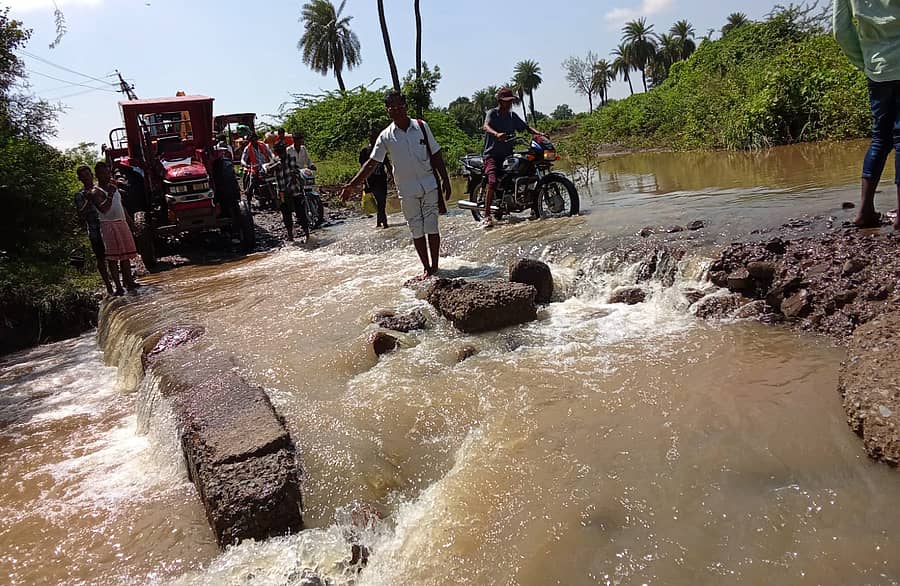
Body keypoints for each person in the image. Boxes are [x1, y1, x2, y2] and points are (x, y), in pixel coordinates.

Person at [341, 92, 451, 277]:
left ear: (406, 106)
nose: (397, 110)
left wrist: (445, 180)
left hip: (429, 185)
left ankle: (435, 267)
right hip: (406, 190)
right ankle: (426, 268)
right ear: (388, 111)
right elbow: (371, 163)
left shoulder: (422, 127)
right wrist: (352, 185)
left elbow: (436, 154)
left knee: (432, 227)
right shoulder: (385, 136)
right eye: (392, 108)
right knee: (416, 229)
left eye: (400, 106)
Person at [834, 0, 900, 230]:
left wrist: (865, 63)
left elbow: (840, 31)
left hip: (877, 68)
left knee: (880, 138)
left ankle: (864, 211)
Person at [481, 87, 546, 228]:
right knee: (492, 181)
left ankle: (533, 207)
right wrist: (496, 134)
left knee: (528, 170)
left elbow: (526, 127)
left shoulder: (512, 116)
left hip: (507, 155)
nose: (510, 103)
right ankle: (486, 216)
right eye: (507, 101)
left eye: (511, 100)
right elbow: (486, 126)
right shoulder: (492, 113)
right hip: (491, 155)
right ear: (500, 101)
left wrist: (539, 134)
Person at [88, 161, 138, 295]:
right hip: (108, 225)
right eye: (102, 173)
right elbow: (104, 209)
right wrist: (109, 194)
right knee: (113, 258)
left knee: (125, 255)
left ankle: (129, 282)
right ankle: (118, 286)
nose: (106, 175)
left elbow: (120, 205)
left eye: (107, 172)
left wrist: (130, 222)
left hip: (121, 222)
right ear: (97, 175)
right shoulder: (95, 192)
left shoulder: (114, 187)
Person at [75, 165, 114, 295]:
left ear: (92, 175)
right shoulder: (80, 195)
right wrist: (89, 200)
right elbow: (81, 214)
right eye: (83, 176)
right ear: (80, 179)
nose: (86, 178)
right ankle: (108, 286)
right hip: (94, 229)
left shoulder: (100, 189)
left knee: (113, 255)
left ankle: (120, 283)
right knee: (100, 257)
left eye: (87, 175)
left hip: (107, 224)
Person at [272, 140, 310, 243]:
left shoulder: (291, 159)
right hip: (282, 193)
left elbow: (295, 172)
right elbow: (267, 170)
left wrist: (293, 180)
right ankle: (291, 237)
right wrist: (275, 166)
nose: (282, 154)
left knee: (301, 214)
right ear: (277, 152)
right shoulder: (275, 161)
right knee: (286, 216)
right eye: (279, 152)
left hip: (294, 191)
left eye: (282, 151)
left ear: (285, 150)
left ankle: (307, 236)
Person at [359, 127, 392, 228]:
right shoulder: (365, 151)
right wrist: (364, 182)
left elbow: (387, 164)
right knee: (379, 200)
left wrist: (393, 176)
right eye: (372, 137)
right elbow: (362, 168)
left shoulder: (381, 149)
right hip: (371, 180)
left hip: (381, 179)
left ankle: (380, 222)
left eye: (375, 137)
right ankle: (384, 221)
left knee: (382, 201)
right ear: (369, 138)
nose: (374, 139)